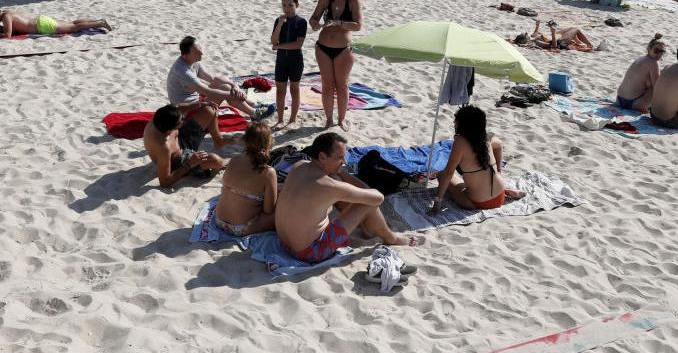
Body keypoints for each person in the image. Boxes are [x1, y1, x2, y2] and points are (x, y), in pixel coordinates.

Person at [276, 132, 419, 262]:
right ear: (322, 157)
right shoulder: (328, 185)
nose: (344, 162)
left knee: (340, 188)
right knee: (366, 202)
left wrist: (338, 171)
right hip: (309, 252)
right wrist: (342, 173)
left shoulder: (299, 166)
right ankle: (391, 237)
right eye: (340, 158)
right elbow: (377, 198)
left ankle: (369, 227)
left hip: (284, 243)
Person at [430, 106, 524, 213]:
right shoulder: (486, 137)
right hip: (500, 196)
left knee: (441, 175)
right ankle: (506, 191)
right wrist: (498, 172)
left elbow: (449, 172)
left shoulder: (460, 141)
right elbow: (499, 145)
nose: (454, 123)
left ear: (463, 124)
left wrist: (437, 204)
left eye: (456, 121)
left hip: (478, 203)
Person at [310, 0, 362, 129]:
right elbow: (313, 19)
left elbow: (358, 26)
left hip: (344, 49)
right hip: (323, 47)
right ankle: (329, 119)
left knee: (342, 85)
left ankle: (341, 119)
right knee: (327, 85)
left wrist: (339, 23)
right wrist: (315, 24)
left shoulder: (353, 0)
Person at [167, 36, 261, 119]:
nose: (202, 53)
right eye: (197, 52)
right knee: (226, 89)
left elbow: (213, 78)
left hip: (195, 101)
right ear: (185, 56)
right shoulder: (183, 72)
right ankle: (254, 113)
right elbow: (207, 91)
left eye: (200, 48)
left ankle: (252, 106)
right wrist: (234, 94)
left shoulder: (192, 62)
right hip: (187, 112)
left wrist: (234, 85)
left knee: (227, 86)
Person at [213, 123, 278, 236]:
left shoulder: (234, 160)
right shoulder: (268, 172)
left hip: (218, 220)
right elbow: (268, 210)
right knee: (282, 212)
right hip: (240, 228)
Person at [143, 104, 226, 189]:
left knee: (209, 110)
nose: (183, 119)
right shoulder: (163, 147)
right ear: (169, 131)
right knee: (217, 161)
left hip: (180, 139)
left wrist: (200, 104)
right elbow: (164, 182)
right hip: (179, 162)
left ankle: (218, 140)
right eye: (180, 121)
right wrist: (189, 164)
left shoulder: (161, 116)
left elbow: (178, 107)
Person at [271, 0, 307, 127]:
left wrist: (280, 46)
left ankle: (292, 119)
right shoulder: (278, 20)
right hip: (281, 61)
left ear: (297, 5)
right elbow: (273, 42)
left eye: (290, 5)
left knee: (294, 88)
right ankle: (280, 119)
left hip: (295, 60)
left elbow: (298, 44)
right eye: (284, 5)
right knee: (280, 90)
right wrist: (280, 24)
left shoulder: (301, 22)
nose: (287, 8)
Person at [0, 5, 110, 37]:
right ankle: (97, 20)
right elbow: (12, 28)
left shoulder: (6, 18)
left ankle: (100, 23)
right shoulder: (7, 12)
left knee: (73, 28)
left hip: (42, 26)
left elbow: (8, 35)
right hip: (41, 20)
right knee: (72, 23)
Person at [615, 34, 666, 112]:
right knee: (657, 85)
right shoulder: (653, 62)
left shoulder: (641, 59)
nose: (659, 54)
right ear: (649, 49)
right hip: (635, 103)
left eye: (662, 52)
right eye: (656, 51)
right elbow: (657, 87)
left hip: (619, 100)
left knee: (650, 81)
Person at [527, 19, 599, 52]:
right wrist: (552, 33)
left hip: (558, 34)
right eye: (525, 35)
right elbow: (553, 46)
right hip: (561, 40)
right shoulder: (537, 41)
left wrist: (537, 25)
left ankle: (586, 45)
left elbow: (535, 33)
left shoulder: (533, 37)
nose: (526, 34)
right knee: (575, 29)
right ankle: (590, 46)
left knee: (571, 28)